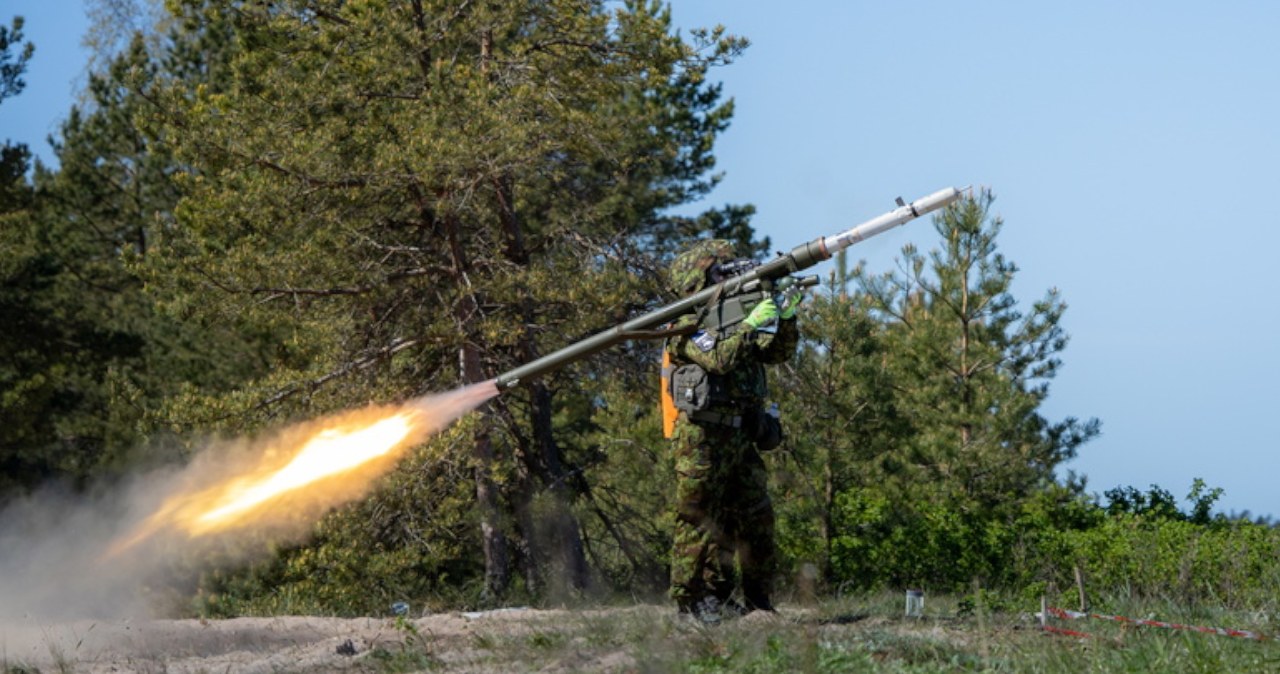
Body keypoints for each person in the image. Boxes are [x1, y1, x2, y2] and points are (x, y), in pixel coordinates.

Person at [663, 239, 803, 623]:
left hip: (741, 434)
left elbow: (775, 353)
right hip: (702, 439)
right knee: (699, 519)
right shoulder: (686, 327)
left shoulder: (732, 318)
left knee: (755, 516)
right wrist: (749, 323)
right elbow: (718, 359)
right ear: (697, 282)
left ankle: (757, 601)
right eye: (717, 274)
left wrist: (786, 318)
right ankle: (692, 601)